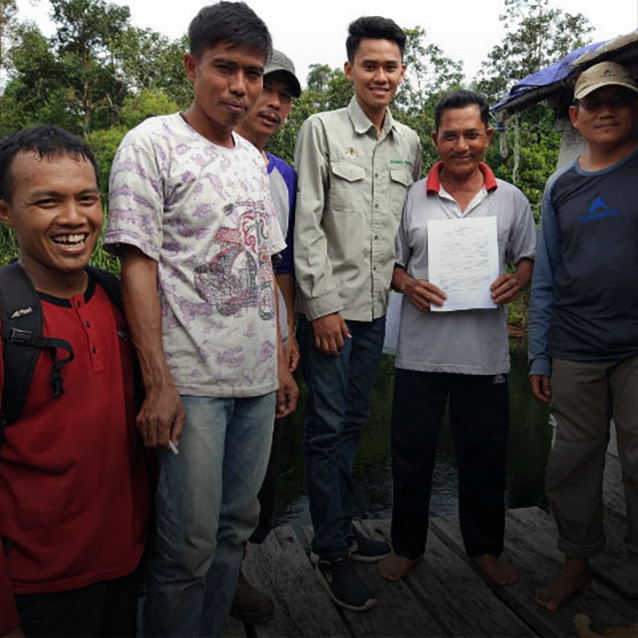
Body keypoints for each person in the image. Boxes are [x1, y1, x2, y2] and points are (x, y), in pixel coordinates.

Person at [103, 3, 298, 636]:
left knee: (236, 528)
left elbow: (266, 267)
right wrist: (157, 380)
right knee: (185, 548)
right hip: (192, 384)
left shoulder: (253, 158)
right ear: (192, 66)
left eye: (253, 73)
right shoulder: (151, 143)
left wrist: (283, 353)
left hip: (257, 381)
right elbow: (137, 264)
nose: (240, 86)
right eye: (225, 68)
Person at [377, 90, 536, 587]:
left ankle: (484, 549)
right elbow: (390, 264)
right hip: (421, 354)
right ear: (435, 139)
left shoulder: (510, 198)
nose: (462, 145)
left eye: (472, 134)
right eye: (451, 135)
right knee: (411, 455)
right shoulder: (411, 197)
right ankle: (408, 546)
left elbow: (527, 256)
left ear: (487, 135)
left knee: (485, 456)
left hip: (484, 356)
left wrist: (519, 279)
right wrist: (408, 284)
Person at [0, 125, 150, 637]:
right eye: (47, 201)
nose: (73, 218)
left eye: (87, 198)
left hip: (126, 567)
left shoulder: (121, 301)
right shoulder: (6, 321)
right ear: (5, 211)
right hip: (37, 591)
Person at [293, 16, 422, 611]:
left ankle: (340, 528)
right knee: (324, 430)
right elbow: (308, 224)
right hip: (331, 313)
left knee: (350, 424)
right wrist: (319, 307)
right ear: (349, 69)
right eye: (369, 64)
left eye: (390, 66)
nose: (380, 75)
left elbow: (405, 230)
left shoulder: (411, 143)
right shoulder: (320, 130)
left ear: (401, 72)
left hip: (375, 312)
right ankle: (330, 550)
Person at [528, 61, 638, 611]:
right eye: (593, 104)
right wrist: (538, 356)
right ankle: (576, 563)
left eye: (617, 100)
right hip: (574, 347)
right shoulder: (560, 186)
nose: (606, 111)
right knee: (572, 460)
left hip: (635, 348)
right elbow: (545, 276)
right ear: (575, 115)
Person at [231, 49, 301, 625]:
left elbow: (282, 265)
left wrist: (288, 335)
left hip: (267, 349)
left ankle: (234, 576)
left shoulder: (284, 176)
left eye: (283, 94)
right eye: (264, 88)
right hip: (198, 357)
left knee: (259, 471)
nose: (273, 103)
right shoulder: (183, 154)